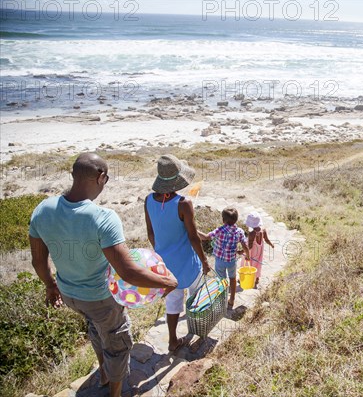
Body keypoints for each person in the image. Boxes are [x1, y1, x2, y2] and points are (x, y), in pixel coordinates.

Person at [29, 153, 178, 397]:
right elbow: (128, 271)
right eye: (106, 179)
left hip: (69, 295)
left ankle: (104, 373)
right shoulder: (103, 218)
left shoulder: (42, 210)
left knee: (94, 327)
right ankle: (115, 392)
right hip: (100, 299)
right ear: (100, 177)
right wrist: (167, 282)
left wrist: (50, 286)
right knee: (117, 346)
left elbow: (38, 261)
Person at [144, 154, 210, 352]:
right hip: (188, 264)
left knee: (173, 303)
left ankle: (172, 340)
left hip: (165, 265)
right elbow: (192, 237)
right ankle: (198, 328)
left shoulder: (148, 200)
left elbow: (151, 232)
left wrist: (161, 252)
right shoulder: (183, 203)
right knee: (196, 296)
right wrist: (204, 261)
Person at [198, 207, 250, 309]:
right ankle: (232, 300)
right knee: (233, 279)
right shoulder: (239, 231)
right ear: (236, 220)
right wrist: (246, 255)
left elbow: (206, 237)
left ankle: (222, 300)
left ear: (223, 220)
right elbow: (245, 245)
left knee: (221, 281)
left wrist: (192, 229)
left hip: (220, 261)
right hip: (231, 261)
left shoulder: (220, 230)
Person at [244, 212, 274, 288]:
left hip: (252, 252)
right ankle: (257, 279)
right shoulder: (263, 230)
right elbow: (266, 240)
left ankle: (247, 278)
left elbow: (250, 246)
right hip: (259, 252)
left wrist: (243, 252)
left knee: (248, 264)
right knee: (257, 264)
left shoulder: (251, 234)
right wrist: (271, 244)